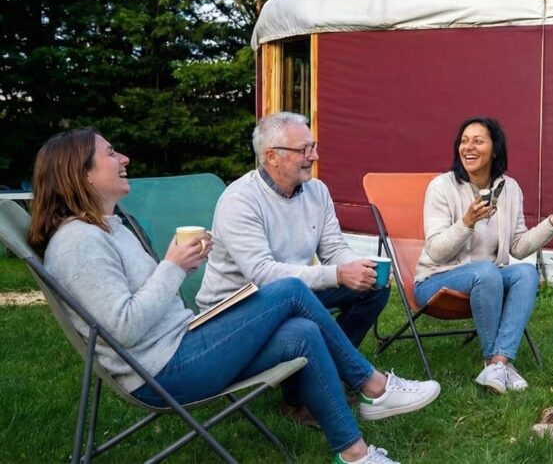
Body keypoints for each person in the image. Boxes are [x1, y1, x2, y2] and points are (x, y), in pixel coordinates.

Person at [28, 129, 444, 464]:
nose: (124, 160)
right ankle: (374, 386)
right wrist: (173, 267)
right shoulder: (78, 242)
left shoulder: (110, 226)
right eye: (111, 153)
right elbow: (124, 328)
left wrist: (177, 266)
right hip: (161, 372)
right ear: (81, 174)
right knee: (290, 292)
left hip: (182, 342)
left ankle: (354, 454)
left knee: (301, 330)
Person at [198, 112, 406, 424]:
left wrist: (359, 267)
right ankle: (299, 397)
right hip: (236, 309)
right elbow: (263, 274)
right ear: (272, 156)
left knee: (372, 289)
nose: (315, 156)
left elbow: (333, 246)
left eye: (314, 146)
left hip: (292, 293)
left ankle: (330, 373)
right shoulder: (240, 200)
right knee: (296, 305)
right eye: (304, 150)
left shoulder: (317, 191)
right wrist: (337, 275)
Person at [417, 117, 553, 393]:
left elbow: (518, 247)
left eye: (477, 141)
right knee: (486, 271)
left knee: (525, 272)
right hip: (436, 281)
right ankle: (491, 363)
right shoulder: (442, 187)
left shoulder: (509, 189)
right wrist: (467, 222)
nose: (468, 147)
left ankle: (500, 362)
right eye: (464, 141)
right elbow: (436, 252)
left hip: (487, 280)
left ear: (495, 149)